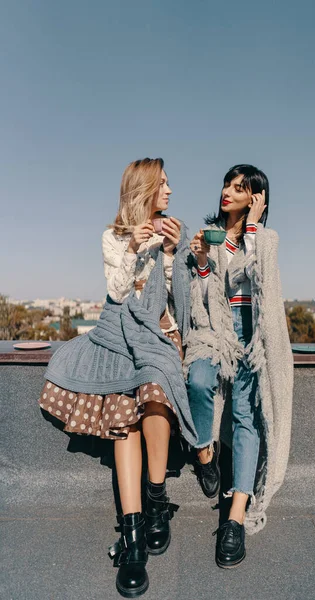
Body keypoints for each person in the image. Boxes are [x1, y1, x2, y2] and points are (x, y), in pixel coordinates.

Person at [39, 158, 197, 598]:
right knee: (122, 410)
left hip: (157, 334)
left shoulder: (172, 231)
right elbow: (116, 293)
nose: (170, 190)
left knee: (153, 386)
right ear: (144, 189)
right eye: (163, 184)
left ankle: (158, 502)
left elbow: (180, 298)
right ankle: (132, 539)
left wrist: (173, 253)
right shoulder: (114, 237)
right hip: (117, 332)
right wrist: (133, 250)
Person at [185, 164, 293, 569]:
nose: (227, 192)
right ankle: (204, 453)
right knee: (197, 381)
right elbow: (203, 294)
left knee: (246, 416)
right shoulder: (210, 236)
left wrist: (250, 228)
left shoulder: (266, 239)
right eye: (227, 185)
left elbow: (257, 277)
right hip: (215, 331)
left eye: (239, 188)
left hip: (254, 336)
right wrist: (200, 261)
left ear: (255, 198)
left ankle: (234, 520)